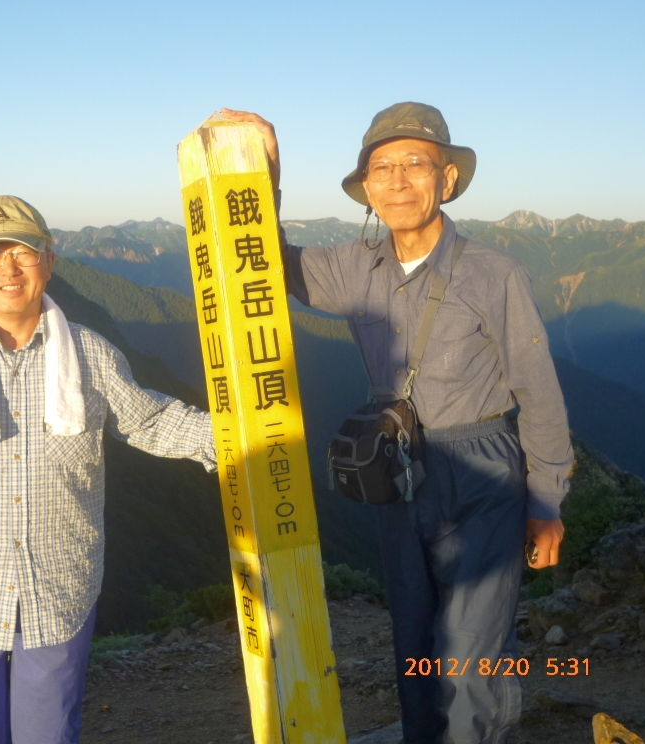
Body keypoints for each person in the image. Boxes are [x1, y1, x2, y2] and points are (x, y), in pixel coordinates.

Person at [223, 103, 572, 743]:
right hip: (397, 472)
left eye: (417, 164)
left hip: (482, 473)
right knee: (411, 637)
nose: (399, 179)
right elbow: (262, 256)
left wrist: (546, 500)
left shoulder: (494, 273)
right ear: (367, 190)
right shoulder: (356, 269)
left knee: (470, 651)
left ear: (446, 181)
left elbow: (537, 388)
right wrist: (262, 169)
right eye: (382, 167)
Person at [0, 195, 216, 744]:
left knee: (48, 736)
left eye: (24, 252)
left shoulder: (90, 355)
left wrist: (243, 435)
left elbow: (150, 422)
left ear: (49, 262)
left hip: (57, 590)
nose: (8, 269)